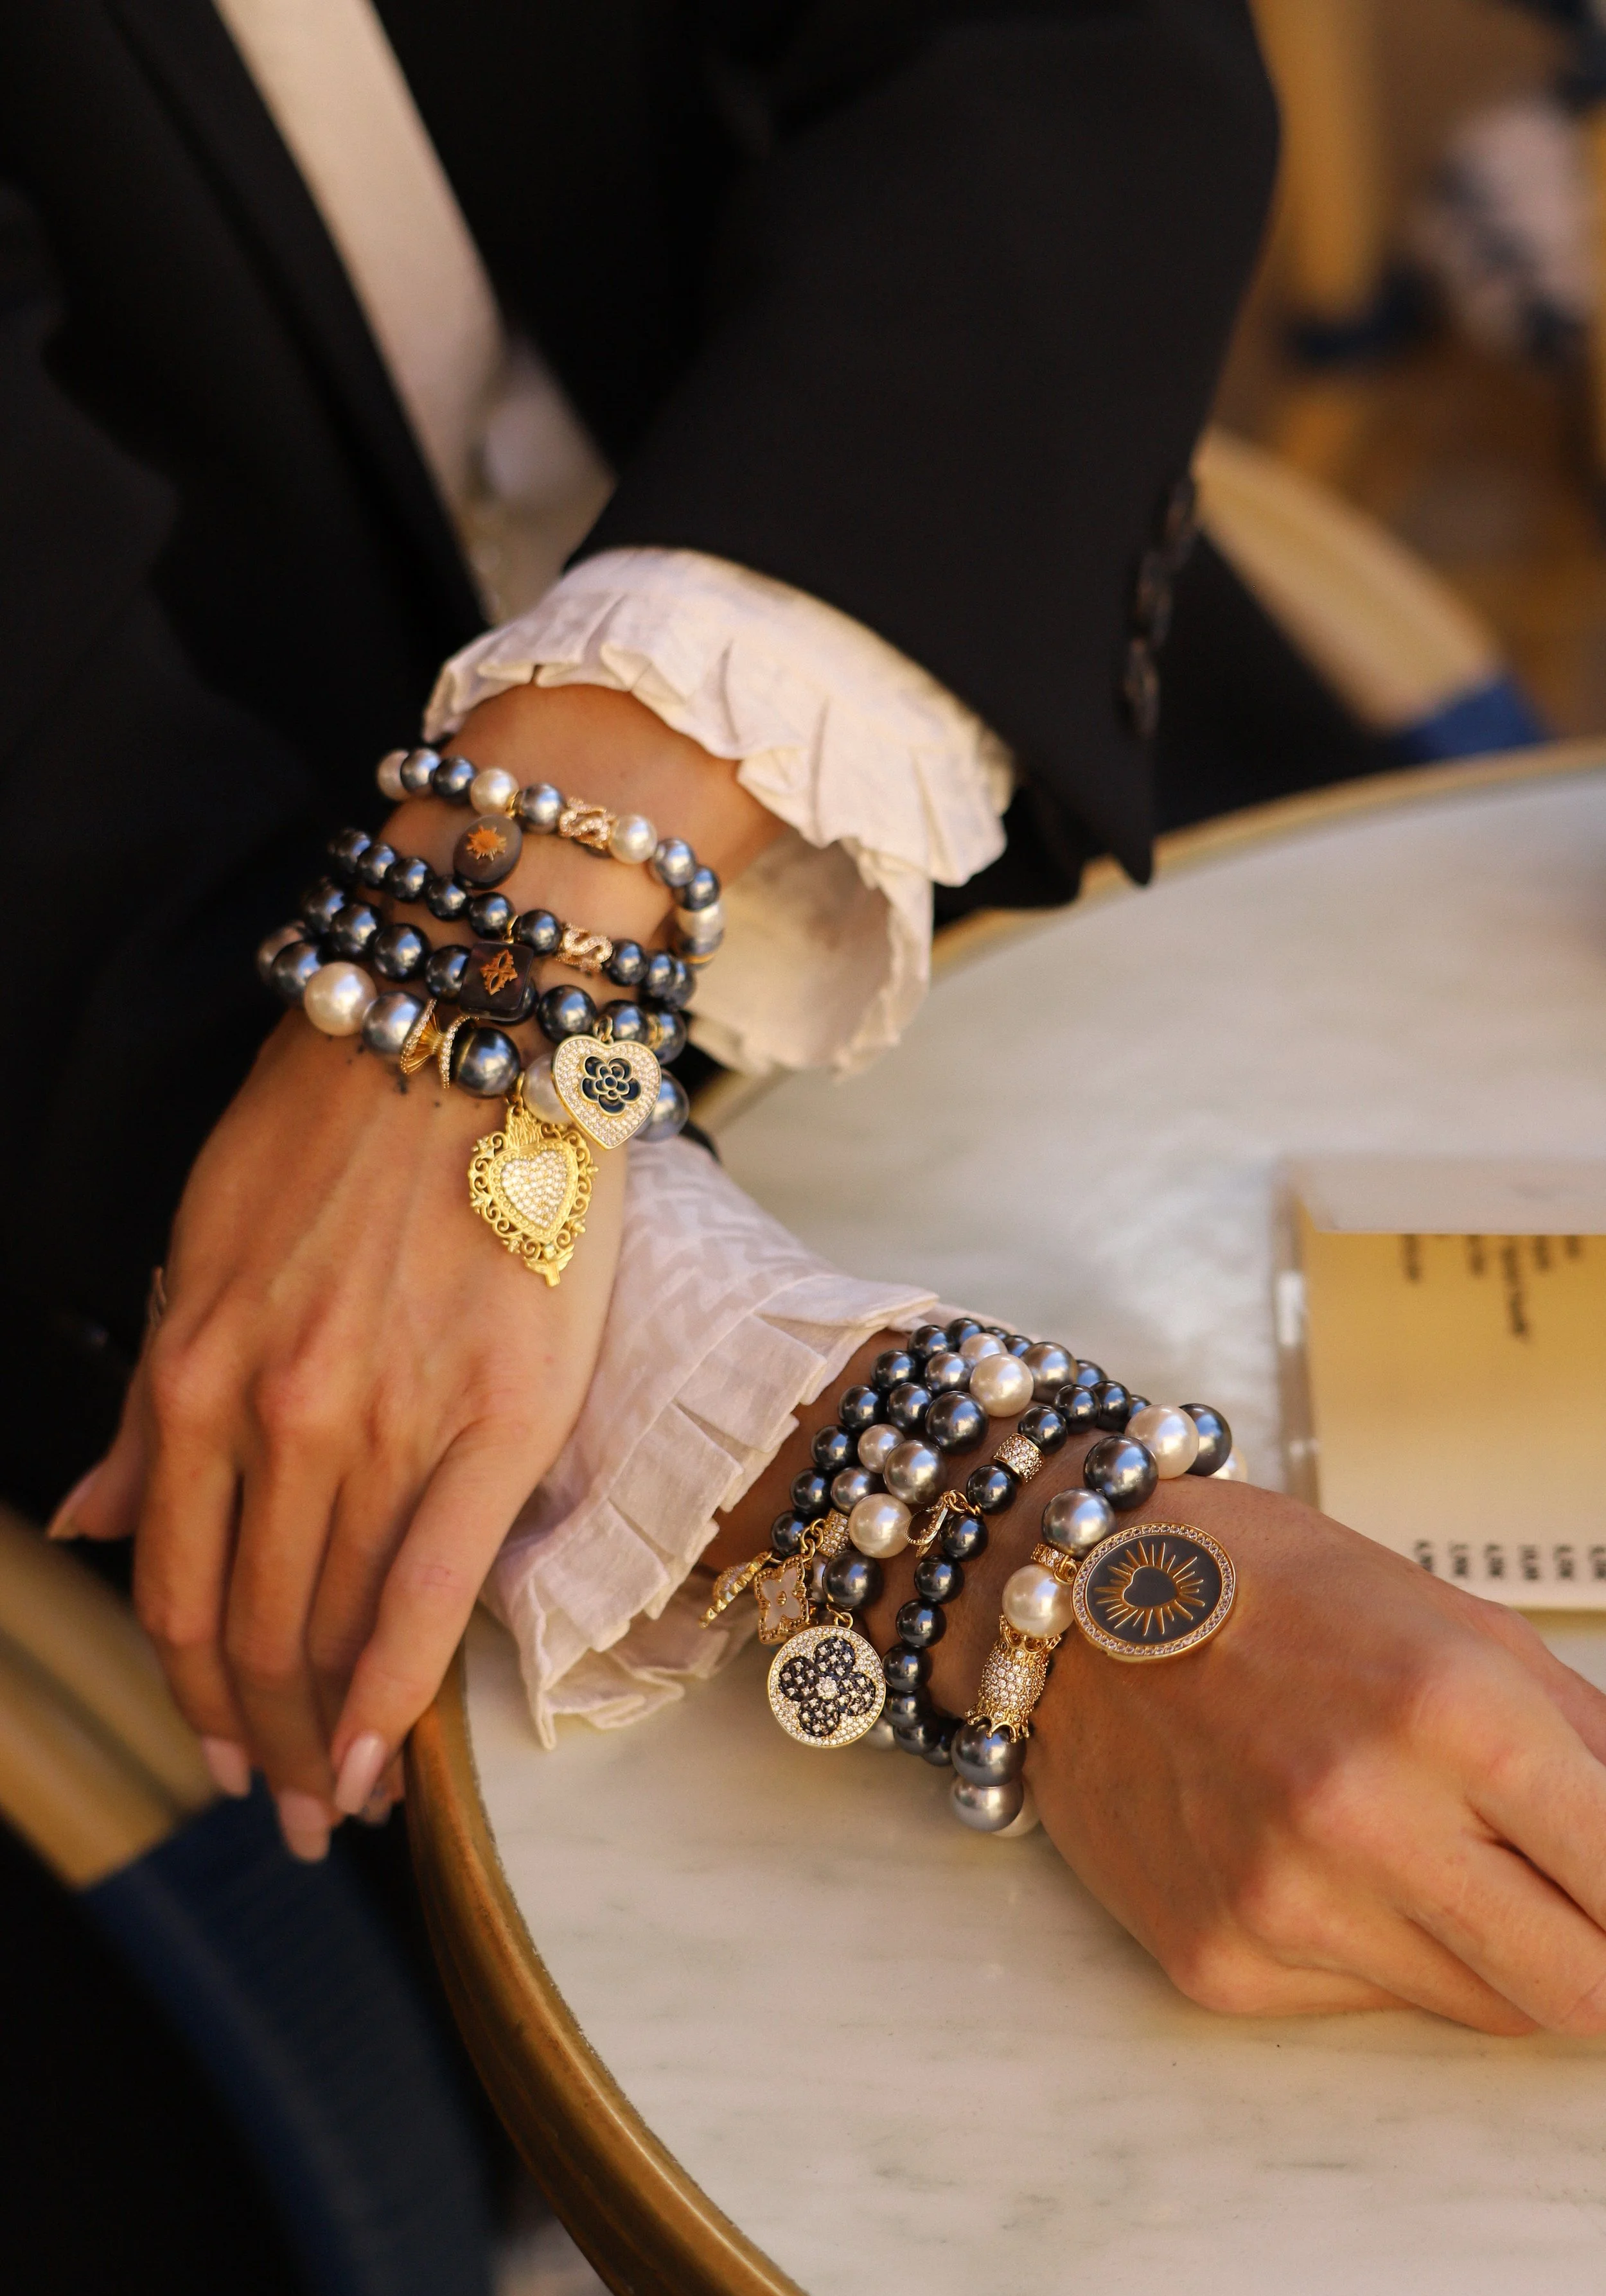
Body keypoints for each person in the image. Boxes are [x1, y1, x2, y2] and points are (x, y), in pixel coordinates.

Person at [9, 0, 1606, 2073]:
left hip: (962, 677)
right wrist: (1015, 1553)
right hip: (155, 1109)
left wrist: (537, 890)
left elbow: (1069, 55)